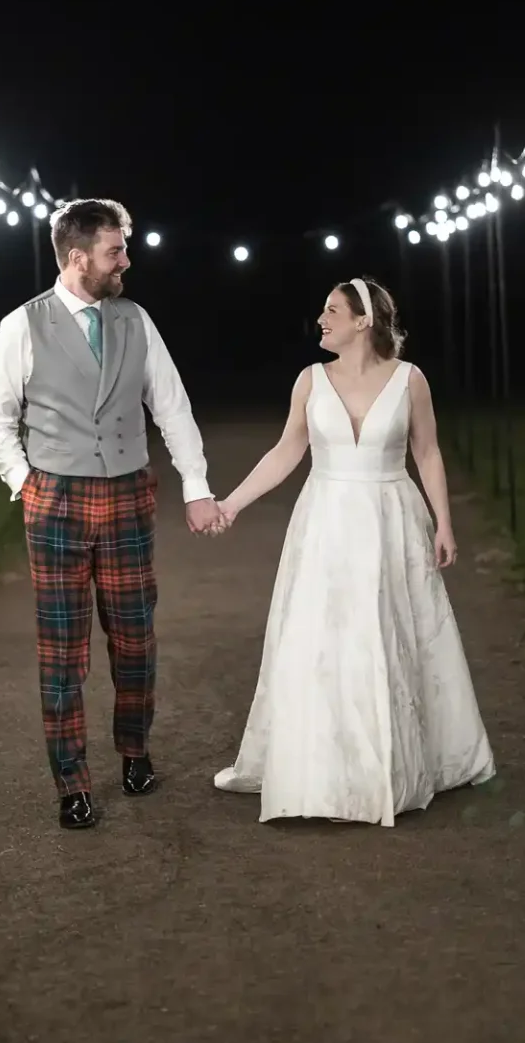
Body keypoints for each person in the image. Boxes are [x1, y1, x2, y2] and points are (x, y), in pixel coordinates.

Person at [208, 276, 495, 825]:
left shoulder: (410, 381)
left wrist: (445, 524)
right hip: (327, 518)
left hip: (391, 514)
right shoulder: (311, 381)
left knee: (388, 632)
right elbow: (287, 450)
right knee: (324, 636)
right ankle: (326, 769)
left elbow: (427, 453)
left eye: (333, 310)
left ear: (364, 321)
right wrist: (232, 503)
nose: (322, 319)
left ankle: (394, 765)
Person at [0, 198, 224, 831]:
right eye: (116, 250)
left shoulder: (135, 320)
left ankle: (135, 751)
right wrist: (25, 485)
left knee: (135, 639)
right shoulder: (21, 325)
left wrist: (195, 484)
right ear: (77, 256)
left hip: (126, 495)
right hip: (55, 500)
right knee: (62, 651)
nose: (127, 260)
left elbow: (171, 405)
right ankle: (72, 784)